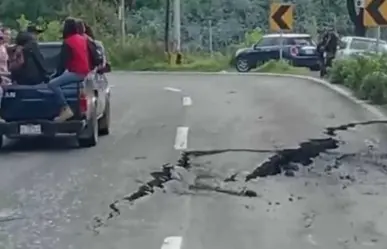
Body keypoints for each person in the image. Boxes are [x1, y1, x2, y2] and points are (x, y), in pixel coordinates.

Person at [47, 17, 91, 122]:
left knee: (52, 84)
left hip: (77, 72)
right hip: (84, 71)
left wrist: (55, 75)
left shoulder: (68, 42)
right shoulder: (82, 39)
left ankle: (65, 109)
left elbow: (63, 63)